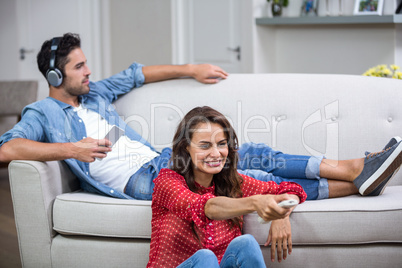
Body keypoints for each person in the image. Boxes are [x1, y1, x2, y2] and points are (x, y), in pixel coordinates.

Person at [0, 32, 401, 202]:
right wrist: (71, 149)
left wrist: (190, 68)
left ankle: (355, 173)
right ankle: (356, 176)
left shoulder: (96, 93)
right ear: (55, 76)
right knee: (252, 180)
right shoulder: (44, 112)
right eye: (79, 67)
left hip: (155, 159)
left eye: (87, 64)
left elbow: (138, 74)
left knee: (251, 153)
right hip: (142, 182)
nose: (88, 72)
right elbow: (6, 149)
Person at [147, 106, 308, 267]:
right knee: (205, 258)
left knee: (246, 243)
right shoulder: (167, 182)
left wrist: (281, 215)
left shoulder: (234, 183)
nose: (216, 153)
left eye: (221, 144)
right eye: (205, 146)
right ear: (186, 148)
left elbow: (291, 188)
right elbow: (205, 207)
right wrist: (255, 202)